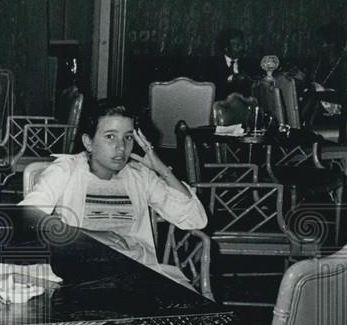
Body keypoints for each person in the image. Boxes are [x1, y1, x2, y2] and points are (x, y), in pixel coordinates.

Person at [20, 101, 208, 286]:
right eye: (110, 136)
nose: (121, 147)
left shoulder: (139, 175)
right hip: (82, 275)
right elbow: (25, 221)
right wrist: (87, 234)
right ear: (88, 142)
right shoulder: (66, 171)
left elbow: (194, 219)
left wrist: (162, 169)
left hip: (137, 274)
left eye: (128, 137)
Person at [210, 28, 256, 100]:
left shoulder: (248, 63)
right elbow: (215, 89)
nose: (241, 48)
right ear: (226, 48)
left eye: (242, 44)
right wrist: (232, 78)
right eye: (237, 45)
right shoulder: (214, 64)